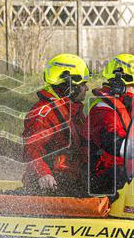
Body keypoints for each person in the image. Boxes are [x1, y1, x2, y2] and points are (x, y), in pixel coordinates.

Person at [21, 54, 90, 196]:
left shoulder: (73, 110)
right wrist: (43, 173)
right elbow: (32, 148)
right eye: (82, 84)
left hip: (71, 178)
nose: (87, 88)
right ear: (69, 86)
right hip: (51, 183)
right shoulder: (45, 112)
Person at [86, 54, 134, 196]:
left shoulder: (129, 106)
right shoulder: (102, 110)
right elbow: (112, 141)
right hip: (101, 175)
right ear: (118, 85)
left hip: (122, 167)